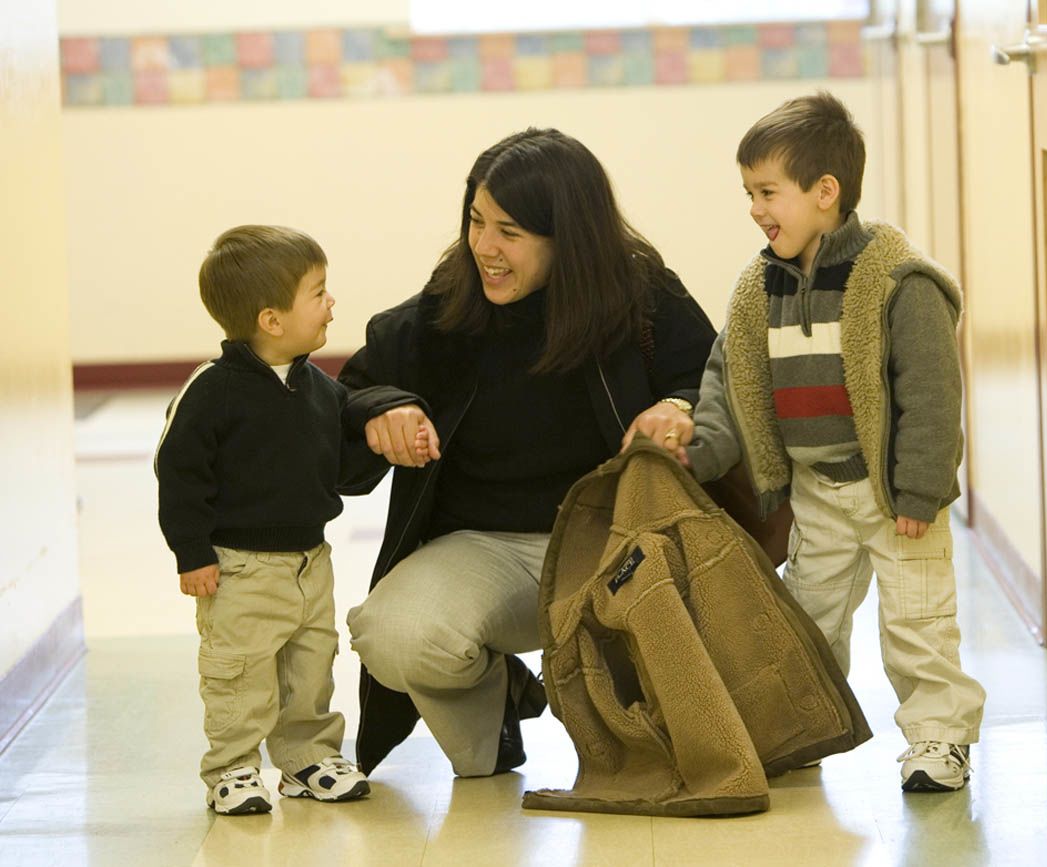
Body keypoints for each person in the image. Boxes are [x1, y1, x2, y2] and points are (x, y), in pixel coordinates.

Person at [338, 128, 717, 778]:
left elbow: (716, 382)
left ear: (567, 236)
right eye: (476, 222)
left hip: (614, 541)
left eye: (509, 232)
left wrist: (678, 408)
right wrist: (380, 409)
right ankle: (499, 698)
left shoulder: (641, 297)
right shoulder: (441, 314)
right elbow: (351, 392)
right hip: (483, 549)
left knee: (657, 747)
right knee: (394, 634)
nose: (484, 247)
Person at [685, 92, 986, 792]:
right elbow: (730, 384)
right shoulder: (760, 290)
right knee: (805, 619)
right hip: (816, 494)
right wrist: (695, 452)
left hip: (892, 494)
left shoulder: (896, 282)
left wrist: (918, 489)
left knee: (917, 623)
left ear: (825, 192)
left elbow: (932, 398)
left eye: (767, 192)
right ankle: (801, 725)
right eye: (748, 193)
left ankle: (938, 739)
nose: (756, 209)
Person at [155, 225, 384, 814]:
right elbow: (179, 474)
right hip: (239, 567)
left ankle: (306, 759)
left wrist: (385, 441)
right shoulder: (212, 391)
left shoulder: (317, 388)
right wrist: (192, 552)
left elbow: (342, 464)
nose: (331, 302)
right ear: (271, 320)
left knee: (310, 669)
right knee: (241, 674)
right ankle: (231, 769)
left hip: (311, 562)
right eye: (318, 291)